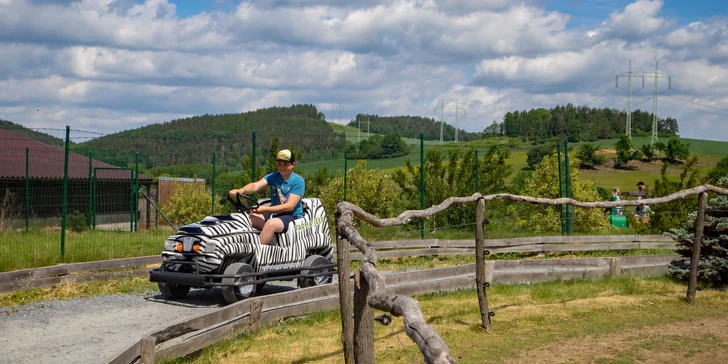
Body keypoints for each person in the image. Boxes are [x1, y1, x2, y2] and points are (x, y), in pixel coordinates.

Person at [228, 149, 305, 245]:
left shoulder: (298, 181)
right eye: (279, 164)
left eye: (285, 164)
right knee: (249, 218)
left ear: (293, 164)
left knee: (271, 224)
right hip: (275, 214)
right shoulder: (273, 176)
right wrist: (241, 190)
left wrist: (264, 209)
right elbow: (256, 185)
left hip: (292, 216)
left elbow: (290, 206)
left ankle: (257, 254)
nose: (281, 167)